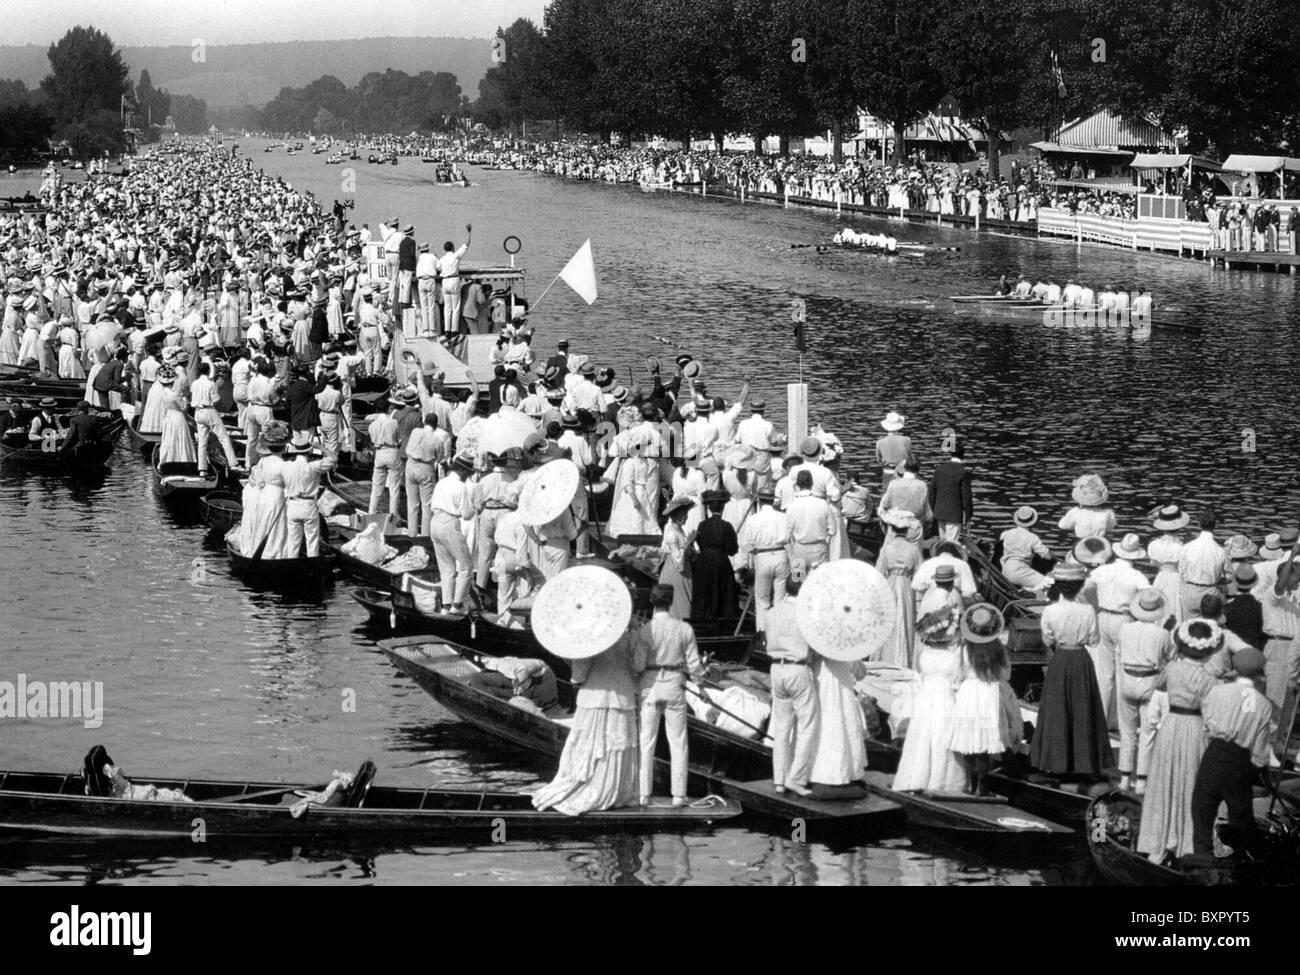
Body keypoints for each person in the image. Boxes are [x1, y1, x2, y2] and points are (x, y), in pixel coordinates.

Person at [1137, 619, 1222, 865]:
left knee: (1164, 780)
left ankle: (1158, 844)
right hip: (1196, 728)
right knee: (1191, 783)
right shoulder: (1210, 679)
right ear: (1207, 650)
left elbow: (1155, 686)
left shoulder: (1171, 669)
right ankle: (1185, 843)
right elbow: (1213, 712)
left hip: (1171, 725)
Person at [531, 628, 640, 815]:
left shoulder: (592, 636)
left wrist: (575, 678)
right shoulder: (632, 635)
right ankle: (617, 791)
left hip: (594, 696)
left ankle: (592, 787)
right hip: (623, 694)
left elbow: (579, 674)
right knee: (616, 745)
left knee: (592, 744)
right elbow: (638, 666)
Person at [1190, 647, 1275, 859]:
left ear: (1235, 670)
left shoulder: (1218, 692)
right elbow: (1259, 752)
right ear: (1258, 675)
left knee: (1202, 810)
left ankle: (1202, 859)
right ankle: (1243, 863)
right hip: (1240, 760)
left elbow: (1206, 725)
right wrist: (1260, 772)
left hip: (1214, 752)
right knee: (1241, 817)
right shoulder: (1264, 705)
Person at [1030, 563, 1112, 779]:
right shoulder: (1087, 611)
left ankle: (1055, 761)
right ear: (1079, 587)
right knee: (1083, 708)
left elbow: (1047, 638)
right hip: (1081, 659)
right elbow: (1094, 641)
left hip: (1061, 658)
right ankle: (1083, 762)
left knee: (1057, 708)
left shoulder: (1050, 610)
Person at [632, 584, 705, 807]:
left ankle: (644, 794)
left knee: (646, 740)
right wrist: (700, 685)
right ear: (671, 602)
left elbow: (637, 665)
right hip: (675, 683)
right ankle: (679, 796)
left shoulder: (645, 630)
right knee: (678, 741)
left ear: (652, 603)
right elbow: (694, 663)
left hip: (650, 685)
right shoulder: (684, 629)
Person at [892, 596, 965, 793]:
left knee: (922, 733)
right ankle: (941, 781)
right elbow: (957, 680)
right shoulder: (953, 656)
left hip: (927, 697)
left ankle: (916, 777)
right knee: (942, 734)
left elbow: (921, 674)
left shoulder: (924, 655)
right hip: (945, 697)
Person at [949, 604, 1019, 796]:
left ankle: (969, 784)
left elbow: (957, 674)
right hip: (989, 692)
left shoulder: (964, 649)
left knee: (969, 738)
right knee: (985, 741)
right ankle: (982, 786)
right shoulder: (999, 649)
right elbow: (1006, 673)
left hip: (969, 692)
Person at [1082, 533, 1149, 725]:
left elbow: (1082, 587)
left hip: (1102, 616)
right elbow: (1149, 595)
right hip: (1125, 620)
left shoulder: (1103, 571)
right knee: (1122, 673)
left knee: (1104, 674)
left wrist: (1089, 605)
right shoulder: (1136, 575)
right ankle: (1122, 721)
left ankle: (1101, 719)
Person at [765, 559, 819, 796]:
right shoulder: (805, 615)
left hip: (776, 669)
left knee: (782, 727)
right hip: (798, 669)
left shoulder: (772, 612)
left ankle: (779, 779)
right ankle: (796, 778)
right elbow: (814, 646)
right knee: (808, 725)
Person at [1116, 589, 1173, 795]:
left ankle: (1124, 778)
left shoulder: (1124, 629)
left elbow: (1120, 651)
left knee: (1127, 732)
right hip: (1150, 680)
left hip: (1128, 678)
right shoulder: (1163, 633)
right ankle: (1141, 780)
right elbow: (1170, 656)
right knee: (1147, 734)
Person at [737, 488, 789, 631]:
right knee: (780, 598)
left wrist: (755, 552)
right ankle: (780, 631)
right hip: (780, 554)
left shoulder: (753, 519)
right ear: (773, 500)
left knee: (762, 600)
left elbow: (745, 544)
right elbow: (790, 538)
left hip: (763, 556)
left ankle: (762, 632)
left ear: (759, 500)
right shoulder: (783, 517)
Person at [875, 509, 923, 668]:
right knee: (906, 618)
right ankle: (904, 658)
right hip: (907, 585)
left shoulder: (886, 548)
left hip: (890, 583)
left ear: (892, 529)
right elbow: (920, 574)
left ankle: (885, 656)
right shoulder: (913, 549)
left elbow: (879, 572)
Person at [429, 454, 476, 612]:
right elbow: (467, 514)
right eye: (468, 473)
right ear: (462, 470)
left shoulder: (441, 483)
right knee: (466, 566)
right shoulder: (460, 487)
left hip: (434, 522)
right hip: (449, 523)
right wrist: (477, 508)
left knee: (446, 568)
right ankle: (457, 605)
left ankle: (446, 605)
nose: (468, 476)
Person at [691, 490, 739, 624]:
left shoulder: (702, 525)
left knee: (706, 589)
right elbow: (732, 549)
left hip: (704, 561)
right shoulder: (726, 526)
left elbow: (699, 543)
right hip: (720, 560)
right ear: (723, 507)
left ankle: (704, 616)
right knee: (722, 589)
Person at [282, 441, 336, 557]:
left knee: (293, 542)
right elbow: (333, 458)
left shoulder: (287, 466)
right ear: (310, 451)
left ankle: (292, 565)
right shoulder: (314, 466)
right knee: (312, 541)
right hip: (308, 505)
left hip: (293, 504)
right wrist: (321, 447)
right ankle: (313, 564)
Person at [191, 362, 239, 475]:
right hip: (209, 411)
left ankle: (202, 469)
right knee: (224, 438)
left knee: (202, 441)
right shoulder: (211, 384)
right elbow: (216, 400)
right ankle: (233, 463)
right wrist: (226, 411)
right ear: (208, 371)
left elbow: (191, 396)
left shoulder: (194, 383)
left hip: (197, 412)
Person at [1178, 509, 1227, 619]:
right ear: (1215, 526)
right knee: (1210, 627)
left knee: (1189, 628)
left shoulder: (1187, 547)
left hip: (1190, 590)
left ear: (1199, 525)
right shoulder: (1220, 550)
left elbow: (1181, 572)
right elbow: (1228, 576)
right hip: (1210, 592)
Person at [784, 469, 835, 570]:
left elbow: (786, 534)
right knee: (819, 582)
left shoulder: (792, 506)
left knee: (798, 581)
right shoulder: (823, 504)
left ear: (797, 485)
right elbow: (833, 530)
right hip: (819, 549)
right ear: (812, 483)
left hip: (799, 550)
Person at [1148, 504, 1190, 626]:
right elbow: (1184, 568)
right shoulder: (1181, 547)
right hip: (1176, 579)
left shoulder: (1154, 545)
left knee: (1159, 608)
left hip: (1160, 577)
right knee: (1175, 607)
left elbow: (1154, 563)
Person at [999, 506, 1053, 593]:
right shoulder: (1033, 538)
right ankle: (1031, 595)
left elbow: (1000, 542)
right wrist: (1051, 555)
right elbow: (1046, 555)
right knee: (1048, 582)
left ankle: (1026, 590)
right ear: (1032, 523)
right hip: (1019, 570)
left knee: (1030, 578)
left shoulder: (1006, 534)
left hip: (1005, 570)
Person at [658, 496, 695, 621]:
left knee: (683, 603)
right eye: (683, 514)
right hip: (676, 572)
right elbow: (678, 562)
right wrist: (688, 543)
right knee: (678, 605)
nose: (686, 517)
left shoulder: (679, 530)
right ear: (676, 515)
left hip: (684, 570)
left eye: (686, 514)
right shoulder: (671, 533)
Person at [929, 438, 973, 540]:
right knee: (951, 545)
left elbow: (932, 492)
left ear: (951, 454)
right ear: (963, 455)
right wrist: (968, 517)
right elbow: (966, 498)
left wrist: (933, 510)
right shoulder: (963, 472)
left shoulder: (939, 470)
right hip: (954, 515)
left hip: (939, 513)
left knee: (942, 542)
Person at [367, 397, 404, 516]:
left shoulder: (373, 425)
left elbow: (372, 440)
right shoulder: (393, 422)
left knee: (376, 486)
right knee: (394, 487)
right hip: (392, 451)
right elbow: (398, 439)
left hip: (379, 452)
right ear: (388, 409)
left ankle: (371, 512)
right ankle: (393, 514)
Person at [156, 367, 196, 467]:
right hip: (177, 416)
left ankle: (169, 459)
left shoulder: (162, 393)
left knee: (170, 438)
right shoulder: (174, 394)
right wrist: (185, 398)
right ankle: (182, 460)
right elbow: (184, 408)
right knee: (180, 437)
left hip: (169, 416)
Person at [437, 225, 472, 335]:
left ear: (444, 249)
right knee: (455, 307)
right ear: (452, 248)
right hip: (454, 280)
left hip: (445, 282)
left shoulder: (441, 259)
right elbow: (466, 245)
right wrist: (469, 233)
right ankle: (454, 330)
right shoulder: (455, 256)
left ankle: (447, 330)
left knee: (447, 307)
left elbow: (437, 268)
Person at [1058, 473, 1117, 539]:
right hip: (1102, 544)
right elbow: (1111, 527)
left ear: (1081, 500)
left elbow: (1062, 525)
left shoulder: (1075, 512)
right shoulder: (1107, 513)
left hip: (1081, 543)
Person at [874, 410, 911, 488]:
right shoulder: (907, 440)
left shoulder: (880, 442)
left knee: (887, 496)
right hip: (902, 473)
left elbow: (879, 461)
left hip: (887, 473)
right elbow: (909, 457)